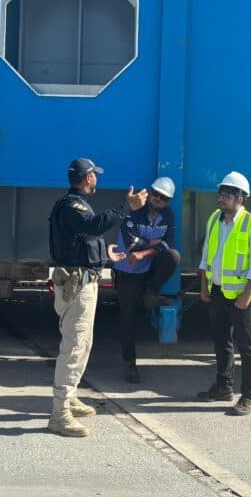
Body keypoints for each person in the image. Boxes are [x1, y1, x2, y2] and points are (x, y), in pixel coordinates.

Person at [47, 157, 147, 437]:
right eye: (94, 175)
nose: (97, 179)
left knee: (83, 343)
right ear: (87, 178)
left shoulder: (76, 205)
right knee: (74, 346)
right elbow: (94, 225)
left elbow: (81, 243)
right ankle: (60, 413)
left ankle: (71, 396)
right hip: (77, 286)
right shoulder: (73, 206)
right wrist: (128, 207)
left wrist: (106, 255)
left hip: (83, 281)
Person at [196, 171, 251, 416]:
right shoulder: (215, 219)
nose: (222, 197)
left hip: (241, 297)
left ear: (241, 198)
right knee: (221, 342)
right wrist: (204, 286)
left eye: (228, 193)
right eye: (221, 193)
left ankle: (249, 396)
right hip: (218, 292)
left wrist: (247, 295)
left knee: (247, 346)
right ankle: (223, 387)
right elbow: (207, 255)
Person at [113, 175, 181, 383]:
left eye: (162, 197)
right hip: (127, 271)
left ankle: (150, 292)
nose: (157, 199)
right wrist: (153, 243)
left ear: (168, 201)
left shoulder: (168, 215)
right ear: (149, 194)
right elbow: (130, 242)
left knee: (173, 257)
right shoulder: (134, 213)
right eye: (155, 195)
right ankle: (129, 363)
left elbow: (168, 244)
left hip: (146, 269)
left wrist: (144, 252)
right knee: (128, 317)